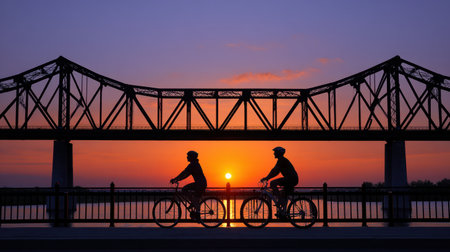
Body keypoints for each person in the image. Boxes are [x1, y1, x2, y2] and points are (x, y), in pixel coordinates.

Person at [260, 147, 298, 216]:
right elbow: (276, 172)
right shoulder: (281, 160)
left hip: (291, 179)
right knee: (283, 193)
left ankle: (280, 201)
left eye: (275, 152)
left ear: (279, 153)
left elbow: (274, 171)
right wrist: (267, 177)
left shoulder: (282, 160)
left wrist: (267, 178)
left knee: (273, 183)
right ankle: (283, 211)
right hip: (291, 179)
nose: (274, 153)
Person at [170, 150, 207, 220]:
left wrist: (175, 179)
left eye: (188, 156)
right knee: (186, 190)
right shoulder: (194, 164)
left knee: (191, 195)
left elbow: (184, 174)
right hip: (200, 183)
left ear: (192, 157)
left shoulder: (193, 165)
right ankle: (193, 203)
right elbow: (184, 174)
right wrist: (177, 179)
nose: (187, 157)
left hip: (200, 184)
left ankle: (197, 213)